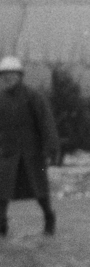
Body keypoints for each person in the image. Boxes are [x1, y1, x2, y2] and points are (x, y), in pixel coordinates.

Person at [0, 55, 60, 238]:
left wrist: (51, 147)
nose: (7, 79)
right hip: (8, 154)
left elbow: (46, 122)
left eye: (11, 75)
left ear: (20, 76)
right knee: (2, 191)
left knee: (39, 189)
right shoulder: (0, 99)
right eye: (4, 75)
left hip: (32, 154)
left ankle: (49, 218)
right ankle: (1, 225)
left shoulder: (33, 97)